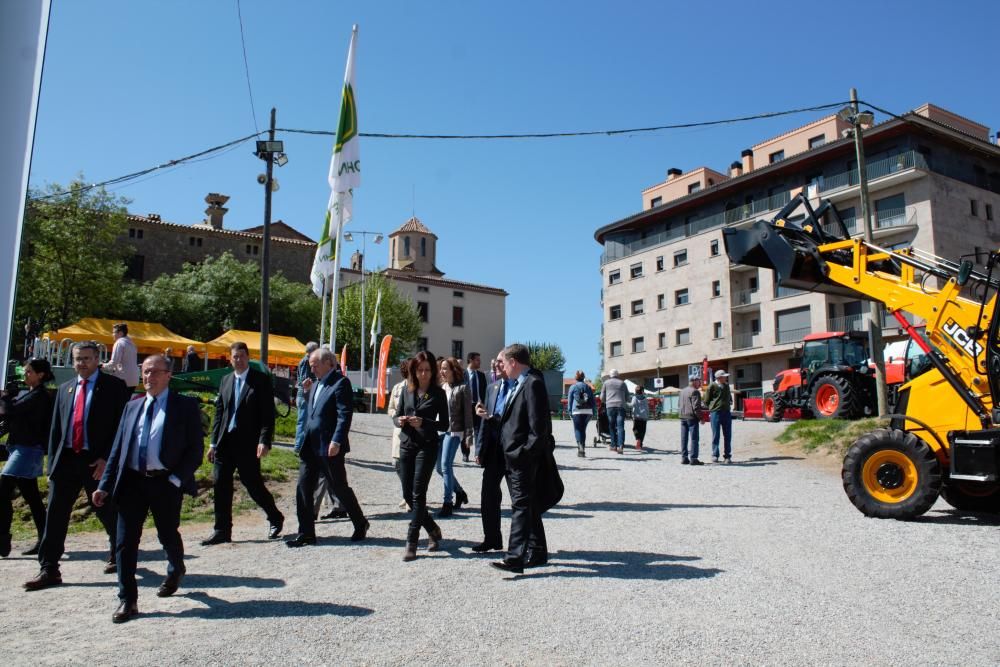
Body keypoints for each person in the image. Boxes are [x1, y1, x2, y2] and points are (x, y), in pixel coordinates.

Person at [92, 355, 204, 623]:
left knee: (167, 533)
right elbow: (118, 450)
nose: (148, 377)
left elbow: (195, 450)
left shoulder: (185, 406)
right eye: (145, 372)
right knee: (125, 542)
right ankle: (127, 600)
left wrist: (176, 479)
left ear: (168, 375)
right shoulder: (132, 406)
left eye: (154, 372)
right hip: (132, 482)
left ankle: (176, 568)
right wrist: (104, 485)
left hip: (165, 482)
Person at [24, 341, 129, 591]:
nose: (81, 363)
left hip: (97, 460)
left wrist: (107, 459)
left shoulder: (114, 387)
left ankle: (119, 552)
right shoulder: (65, 389)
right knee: (56, 514)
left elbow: (122, 426)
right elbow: (56, 429)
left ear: (97, 360)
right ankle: (49, 568)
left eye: (86, 358)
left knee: (106, 510)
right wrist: (52, 463)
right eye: (77, 359)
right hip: (67, 460)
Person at [202, 342, 284, 545]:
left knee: (253, 484)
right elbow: (219, 414)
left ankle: (275, 517)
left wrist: (264, 440)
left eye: (241, 356)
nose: (238, 360)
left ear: (248, 358)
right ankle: (222, 530)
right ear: (230, 359)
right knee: (220, 484)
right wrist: (213, 443)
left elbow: (267, 415)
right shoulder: (226, 380)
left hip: (247, 443)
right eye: (235, 357)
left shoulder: (260, 380)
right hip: (225, 442)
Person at [286, 347, 368, 547]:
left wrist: (337, 440)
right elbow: (315, 412)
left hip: (329, 446)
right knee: (303, 487)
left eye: (315, 365)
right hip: (310, 446)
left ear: (328, 363)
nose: (312, 369)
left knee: (339, 487)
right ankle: (306, 533)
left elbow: (344, 414)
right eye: (310, 366)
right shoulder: (315, 383)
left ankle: (360, 522)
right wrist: (307, 393)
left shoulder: (341, 383)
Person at [491, 343, 554, 574]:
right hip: (512, 457)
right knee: (529, 505)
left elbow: (538, 429)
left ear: (513, 362)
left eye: (504, 362)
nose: (502, 367)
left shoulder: (532, 383)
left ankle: (514, 558)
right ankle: (537, 551)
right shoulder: (520, 383)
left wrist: (523, 454)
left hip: (522, 459)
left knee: (520, 506)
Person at [393, 351, 447, 561]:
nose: (423, 374)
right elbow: (396, 415)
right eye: (420, 370)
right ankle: (432, 528)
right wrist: (400, 421)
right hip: (407, 444)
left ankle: (412, 541)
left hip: (427, 446)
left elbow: (444, 424)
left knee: (418, 494)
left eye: (427, 370)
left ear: (433, 371)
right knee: (408, 495)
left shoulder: (438, 393)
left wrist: (424, 422)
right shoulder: (407, 390)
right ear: (414, 371)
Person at [0, 359, 54, 557]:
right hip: (20, 447)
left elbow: (10, 411)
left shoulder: (40, 396)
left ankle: (3, 538)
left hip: (28, 449)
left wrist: (6, 397)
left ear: (40, 375)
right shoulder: (31, 394)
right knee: (32, 497)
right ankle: (46, 539)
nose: (25, 374)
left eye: (29, 371)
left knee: (3, 489)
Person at [472, 348, 512, 553]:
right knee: (488, 496)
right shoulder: (492, 388)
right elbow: (484, 422)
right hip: (494, 451)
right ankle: (492, 539)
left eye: (500, 361)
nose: (496, 364)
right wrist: (479, 449)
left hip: (513, 451)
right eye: (495, 361)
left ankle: (526, 544)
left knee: (519, 500)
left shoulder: (520, 387)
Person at [435, 357, 473, 518]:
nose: (442, 371)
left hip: (454, 431)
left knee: (445, 465)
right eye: (441, 368)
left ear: (453, 370)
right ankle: (460, 492)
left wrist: (469, 435)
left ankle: (447, 503)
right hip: (439, 431)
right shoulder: (440, 387)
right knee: (439, 468)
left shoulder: (463, 388)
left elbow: (468, 414)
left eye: (445, 368)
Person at [386, 361, 411, 510]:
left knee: (409, 466)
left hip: (412, 432)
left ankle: (410, 498)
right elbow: (390, 408)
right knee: (396, 464)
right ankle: (407, 493)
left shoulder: (419, 388)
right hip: (399, 431)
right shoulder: (397, 387)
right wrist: (396, 415)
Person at [706, 369, 734, 463]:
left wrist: (729, 402)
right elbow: (707, 400)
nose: (726, 378)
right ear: (719, 378)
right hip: (715, 413)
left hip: (726, 412)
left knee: (728, 435)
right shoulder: (712, 386)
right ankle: (715, 455)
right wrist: (712, 408)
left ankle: (727, 456)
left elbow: (729, 396)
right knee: (716, 435)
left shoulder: (726, 386)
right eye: (724, 377)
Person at [566, 370, 595, 457]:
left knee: (578, 429)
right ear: (583, 377)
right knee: (583, 430)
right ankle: (582, 447)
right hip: (588, 411)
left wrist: (569, 411)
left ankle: (580, 447)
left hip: (577, 411)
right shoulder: (588, 387)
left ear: (576, 377)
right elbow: (592, 400)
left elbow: (570, 401)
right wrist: (594, 411)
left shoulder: (573, 387)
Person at [465, 352, 487, 463]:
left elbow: (485, 392)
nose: (480, 362)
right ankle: (465, 453)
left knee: (479, 430)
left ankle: (478, 454)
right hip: (466, 405)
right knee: (466, 431)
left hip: (478, 405)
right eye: (477, 360)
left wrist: (484, 404)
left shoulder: (481, 375)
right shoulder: (463, 374)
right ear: (471, 360)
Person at [105, 322, 139, 392]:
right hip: (134, 379)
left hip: (123, 378)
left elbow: (114, 362)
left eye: (114, 332)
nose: (112, 334)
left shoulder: (119, 342)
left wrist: (102, 365)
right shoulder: (132, 344)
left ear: (120, 333)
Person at [600, 368, 628, 454]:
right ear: (617, 375)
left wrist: (606, 401)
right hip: (621, 406)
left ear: (610, 375)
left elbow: (602, 397)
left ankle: (613, 445)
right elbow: (627, 397)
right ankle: (621, 446)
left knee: (611, 426)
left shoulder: (606, 383)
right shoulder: (622, 383)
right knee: (620, 426)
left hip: (610, 406)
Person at [679, 375, 705, 465]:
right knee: (694, 438)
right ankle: (693, 458)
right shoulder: (695, 391)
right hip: (691, 417)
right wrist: (701, 418)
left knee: (684, 438)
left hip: (682, 416)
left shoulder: (682, 391)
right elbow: (696, 407)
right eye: (699, 381)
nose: (700, 383)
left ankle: (684, 457)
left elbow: (679, 404)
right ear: (694, 381)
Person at [630, 385, 649, 451]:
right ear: (642, 391)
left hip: (636, 417)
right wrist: (647, 415)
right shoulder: (645, 398)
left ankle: (638, 438)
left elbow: (632, 405)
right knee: (642, 431)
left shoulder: (634, 398)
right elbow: (647, 408)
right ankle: (640, 444)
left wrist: (625, 404)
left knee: (635, 429)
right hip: (644, 417)